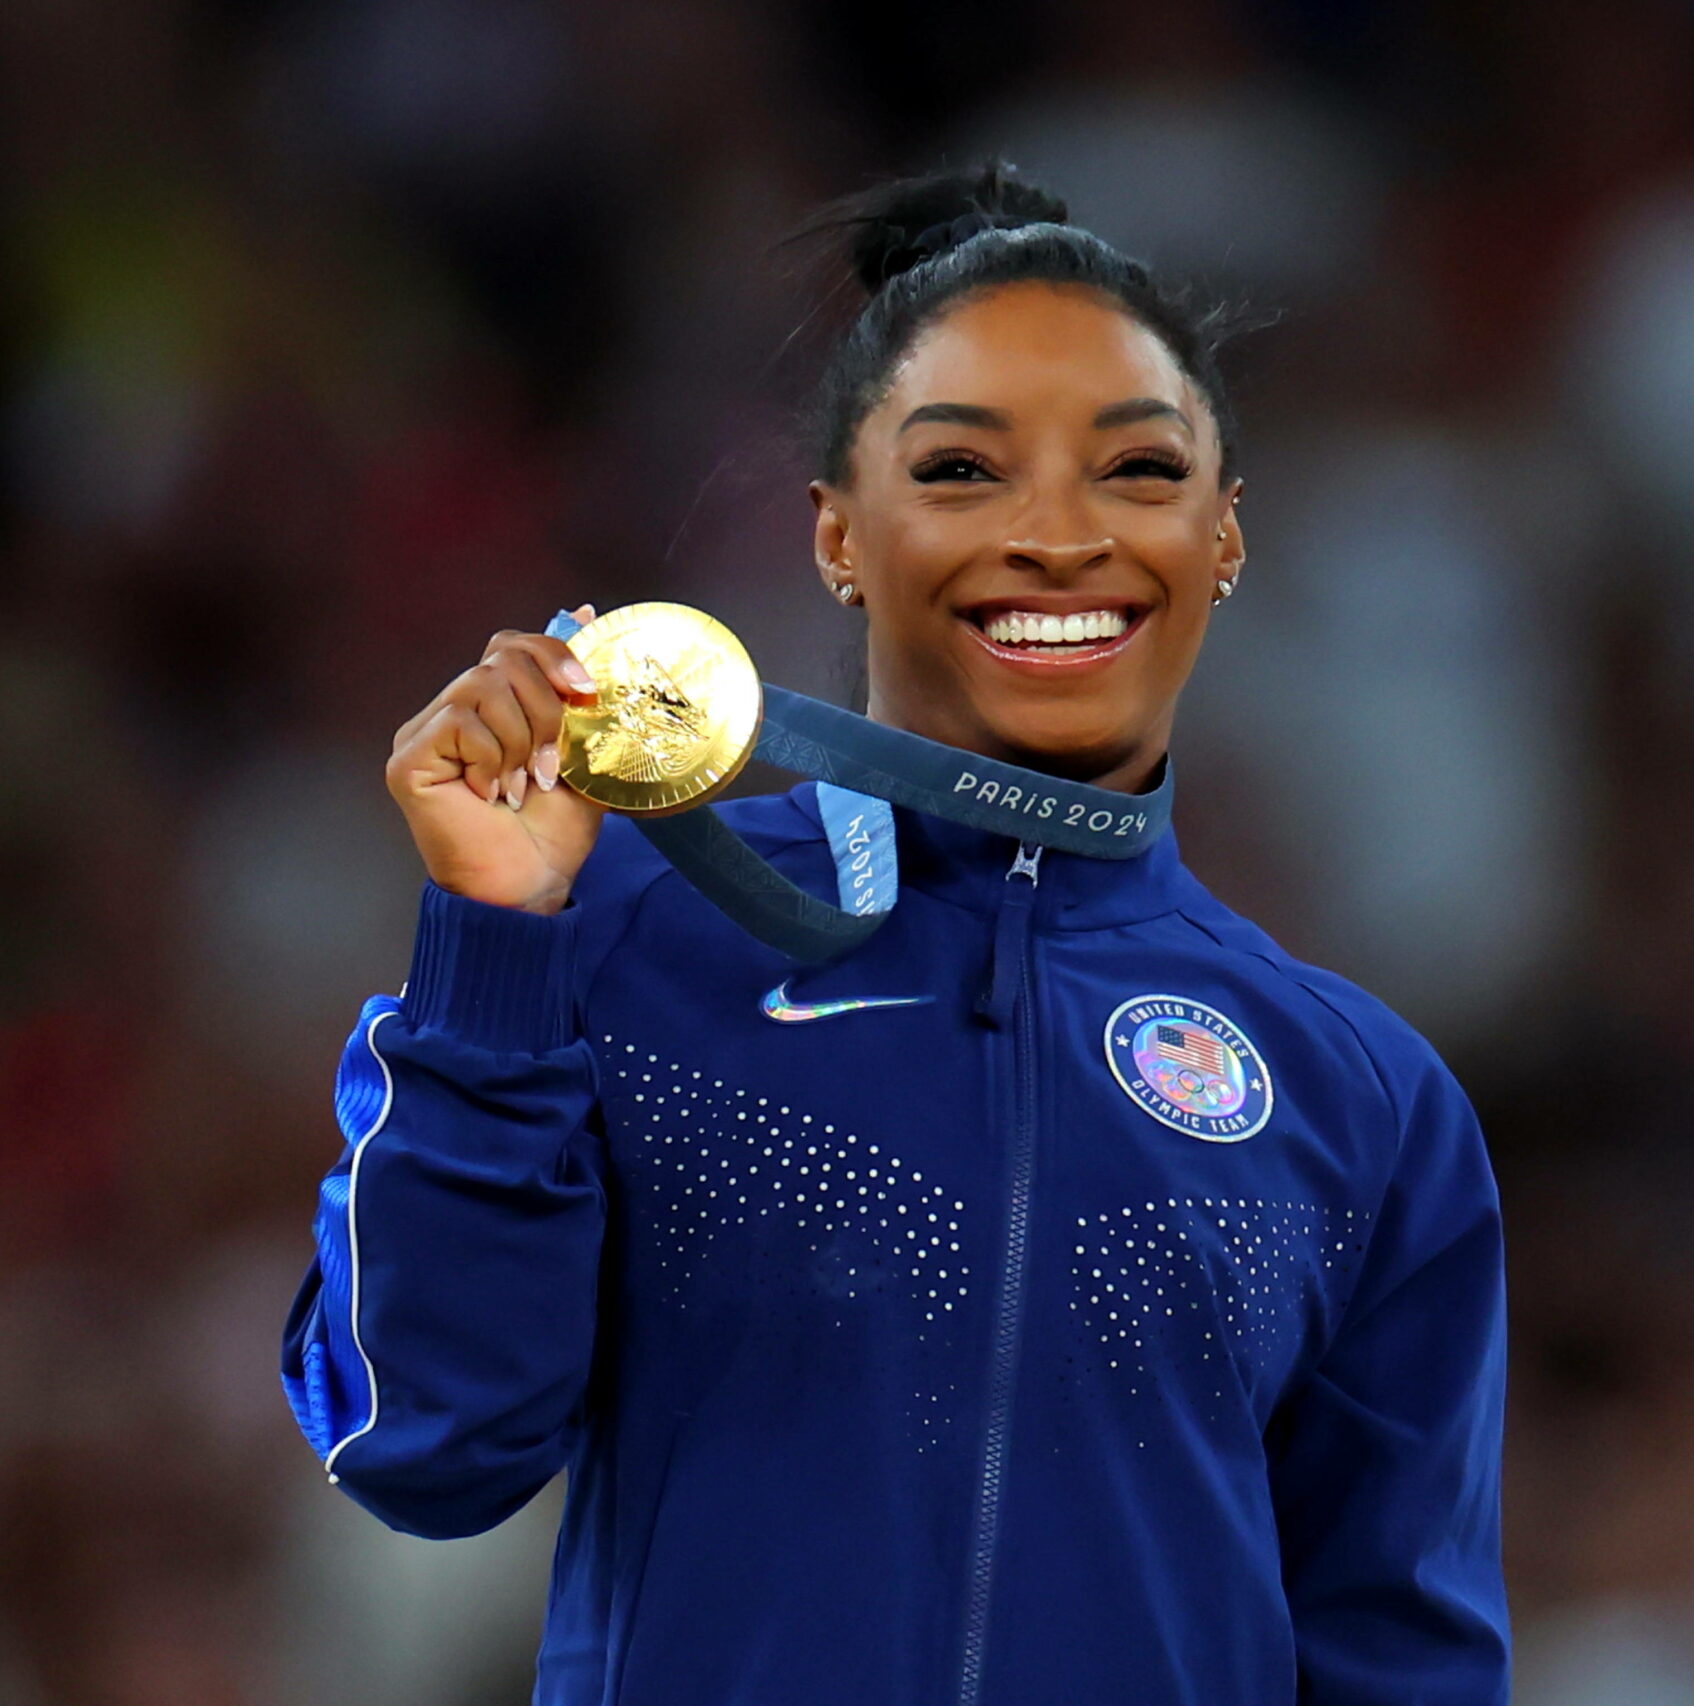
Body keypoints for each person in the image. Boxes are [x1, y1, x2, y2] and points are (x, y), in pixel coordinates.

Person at [278, 164, 1510, 1706]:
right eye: (960, 473)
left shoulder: (1362, 1100)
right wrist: (493, 939)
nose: (1060, 538)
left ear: (1225, 538)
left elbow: (1405, 1665)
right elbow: (426, 1441)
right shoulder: (625, 936)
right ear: (836, 535)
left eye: (1137, 471)